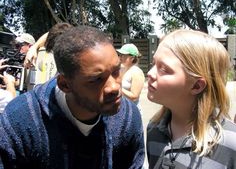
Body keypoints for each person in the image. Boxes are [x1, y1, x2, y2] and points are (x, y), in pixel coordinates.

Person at [0, 26, 145, 169]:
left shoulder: (127, 117)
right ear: (65, 85)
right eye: (96, 79)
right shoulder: (20, 122)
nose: (114, 87)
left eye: (116, 71)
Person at [146, 29, 236, 169]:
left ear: (196, 86)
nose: (150, 74)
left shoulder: (230, 143)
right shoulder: (154, 129)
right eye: (153, 64)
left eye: (163, 69)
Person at [117, 43, 145, 109]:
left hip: (131, 110)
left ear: (132, 58)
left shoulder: (136, 72)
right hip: (122, 108)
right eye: (120, 55)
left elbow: (134, 96)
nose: (120, 57)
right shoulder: (122, 68)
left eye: (123, 55)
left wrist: (119, 88)